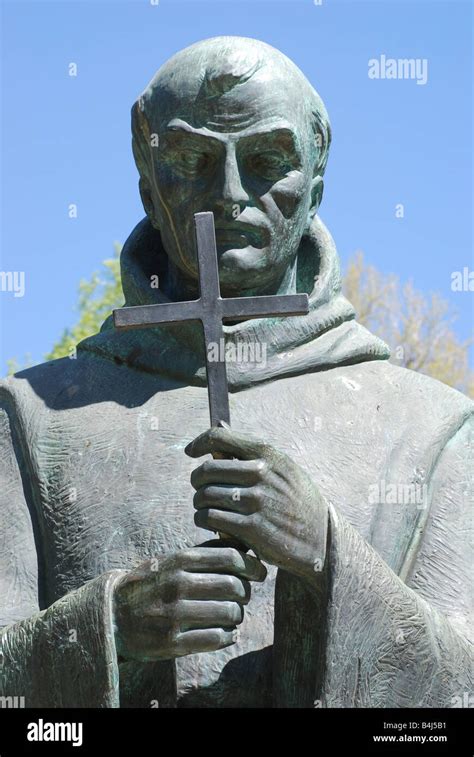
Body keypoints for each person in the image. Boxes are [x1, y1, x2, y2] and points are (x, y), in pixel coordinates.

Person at [1, 36, 471, 708]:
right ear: (145, 182)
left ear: (315, 185)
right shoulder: (32, 418)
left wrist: (327, 555)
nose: (228, 196)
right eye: (192, 160)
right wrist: (109, 628)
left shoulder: (433, 432)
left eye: (266, 160)